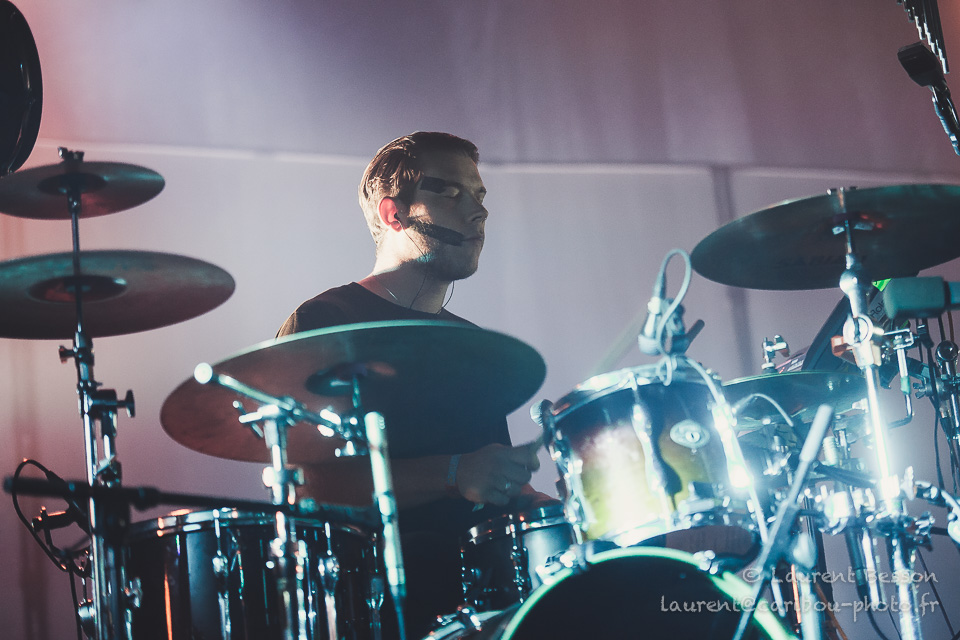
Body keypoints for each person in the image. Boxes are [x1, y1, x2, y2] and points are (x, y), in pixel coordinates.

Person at [276, 132, 549, 638]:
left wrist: (535, 503)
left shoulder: (475, 345)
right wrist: (455, 472)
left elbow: (486, 475)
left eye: (480, 195)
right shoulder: (325, 323)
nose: (479, 212)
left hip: (482, 609)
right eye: (451, 192)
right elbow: (305, 486)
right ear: (393, 213)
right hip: (368, 608)